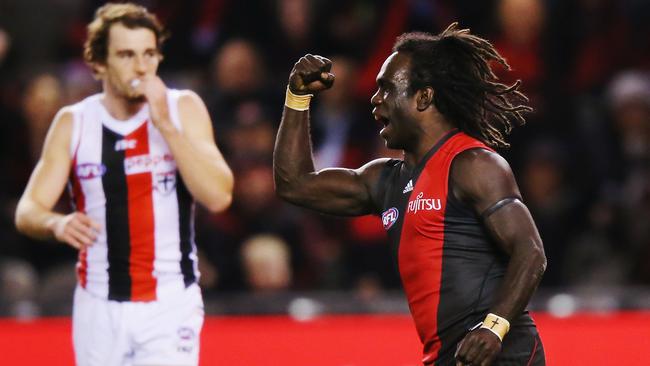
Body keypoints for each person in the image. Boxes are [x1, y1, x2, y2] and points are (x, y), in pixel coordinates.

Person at [274, 23, 546, 366]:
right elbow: (295, 184)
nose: (375, 100)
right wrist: (297, 97)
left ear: (424, 97)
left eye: (387, 89)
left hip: (501, 351)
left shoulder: (473, 164)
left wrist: (494, 328)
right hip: (451, 357)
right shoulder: (383, 180)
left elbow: (531, 250)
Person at [14, 3, 234, 365]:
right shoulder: (75, 122)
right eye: (127, 55)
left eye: (149, 54)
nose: (141, 66)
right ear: (99, 63)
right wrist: (57, 222)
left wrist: (165, 125)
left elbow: (219, 195)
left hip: (170, 303)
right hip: (99, 305)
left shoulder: (183, 110)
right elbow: (28, 210)